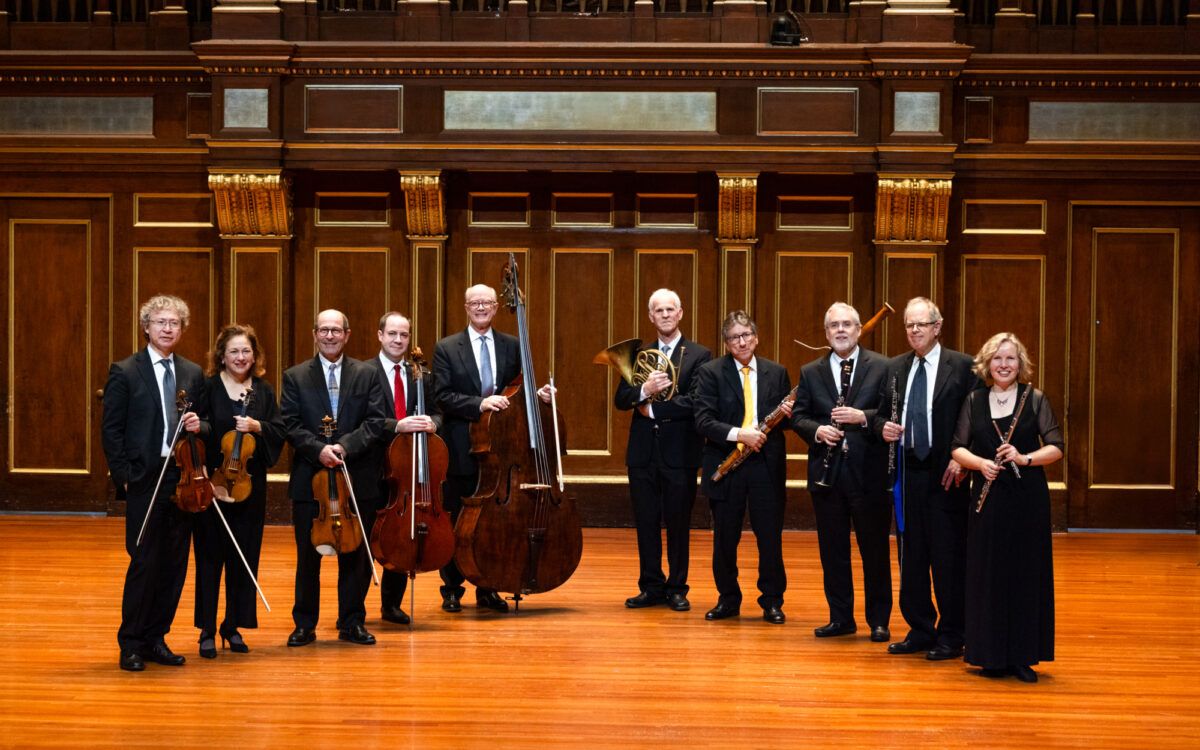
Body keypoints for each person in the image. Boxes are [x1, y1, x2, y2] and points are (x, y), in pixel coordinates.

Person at [102, 294, 209, 672]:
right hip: (145, 479)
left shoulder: (192, 372)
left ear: (182, 329)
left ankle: (156, 638)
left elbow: (207, 423)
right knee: (144, 562)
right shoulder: (125, 371)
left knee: (174, 564)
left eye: (174, 323)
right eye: (160, 322)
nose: (167, 328)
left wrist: (200, 425)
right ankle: (131, 643)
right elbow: (111, 430)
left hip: (182, 478)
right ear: (146, 327)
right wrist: (126, 477)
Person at [432, 283, 552, 613]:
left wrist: (538, 395)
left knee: (494, 522)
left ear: (497, 307)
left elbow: (517, 390)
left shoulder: (512, 345)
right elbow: (441, 396)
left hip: (501, 449)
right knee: (458, 518)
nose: (481, 307)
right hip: (463, 446)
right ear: (466, 307)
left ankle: (488, 587)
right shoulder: (447, 347)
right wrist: (479, 403)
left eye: (487, 302)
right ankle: (452, 588)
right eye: (475, 303)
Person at [951, 333, 1062, 683]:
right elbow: (957, 447)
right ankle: (990, 655)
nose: (1003, 365)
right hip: (988, 500)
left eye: (1010, 358)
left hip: (1027, 499)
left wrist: (1024, 457)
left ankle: (1022, 656)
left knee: (1026, 574)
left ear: (1020, 363)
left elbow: (1056, 446)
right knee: (988, 575)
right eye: (997, 358)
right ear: (987, 363)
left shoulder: (1036, 399)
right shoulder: (974, 400)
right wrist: (980, 463)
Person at [875, 297, 980, 661]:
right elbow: (878, 414)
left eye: (921, 324)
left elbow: (978, 420)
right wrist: (881, 426)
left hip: (947, 476)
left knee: (948, 558)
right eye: (909, 324)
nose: (915, 330)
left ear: (938, 327)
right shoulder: (895, 368)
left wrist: (963, 458)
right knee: (912, 557)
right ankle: (920, 629)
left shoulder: (963, 367)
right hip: (907, 476)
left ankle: (952, 634)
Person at [281, 309, 387, 647]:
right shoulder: (295, 376)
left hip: (357, 475)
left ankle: (352, 622)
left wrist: (344, 446)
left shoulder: (368, 374)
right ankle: (304, 624)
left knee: (355, 556)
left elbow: (375, 421)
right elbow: (290, 424)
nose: (330, 336)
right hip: (310, 480)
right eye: (324, 330)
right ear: (315, 334)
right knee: (307, 557)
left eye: (336, 330)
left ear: (347, 334)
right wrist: (319, 450)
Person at [792, 302, 892, 642]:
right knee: (833, 552)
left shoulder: (883, 366)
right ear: (826, 333)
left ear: (859, 329)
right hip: (827, 474)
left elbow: (892, 412)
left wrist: (863, 418)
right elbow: (799, 416)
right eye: (834, 325)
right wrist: (817, 431)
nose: (840, 330)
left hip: (869, 475)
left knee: (874, 551)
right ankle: (840, 618)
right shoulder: (810, 371)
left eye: (847, 324)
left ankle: (879, 621)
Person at [694, 310, 792, 624]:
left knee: (769, 538)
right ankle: (728, 599)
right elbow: (703, 421)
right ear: (726, 343)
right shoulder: (710, 373)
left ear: (756, 338)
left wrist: (790, 413)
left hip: (766, 466)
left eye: (746, 335)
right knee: (725, 538)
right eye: (735, 337)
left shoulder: (777, 372)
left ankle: (772, 601)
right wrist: (740, 434)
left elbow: (786, 424)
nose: (742, 342)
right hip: (728, 463)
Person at [616, 289, 712, 612]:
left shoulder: (699, 355)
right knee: (645, 522)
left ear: (680, 313)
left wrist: (653, 409)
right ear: (651, 316)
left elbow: (695, 402)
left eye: (671, 309)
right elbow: (621, 399)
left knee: (678, 523)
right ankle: (651, 586)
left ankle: (677, 588)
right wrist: (644, 389)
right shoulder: (639, 354)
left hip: (680, 453)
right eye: (659, 310)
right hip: (642, 454)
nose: (666, 315)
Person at [193, 324, 285, 658]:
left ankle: (232, 625)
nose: (241, 357)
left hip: (249, 486)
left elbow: (279, 430)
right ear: (222, 356)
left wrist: (258, 426)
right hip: (213, 483)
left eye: (246, 351)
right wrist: (202, 473)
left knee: (243, 557)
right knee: (208, 558)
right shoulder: (208, 387)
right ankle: (206, 629)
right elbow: (196, 430)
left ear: (254, 355)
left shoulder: (264, 391)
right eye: (234, 351)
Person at [365, 312, 442, 626]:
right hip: (372, 465)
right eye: (392, 334)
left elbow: (438, 411)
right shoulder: (363, 372)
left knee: (401, 535)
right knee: (368, 536)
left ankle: (391, 605)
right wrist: (396, 425)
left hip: (409, 467)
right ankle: (353, 609)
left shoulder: (420, 373)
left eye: (404, 335)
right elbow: (362, 418)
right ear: (380, 335)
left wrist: (432, 423)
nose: (398, 340)